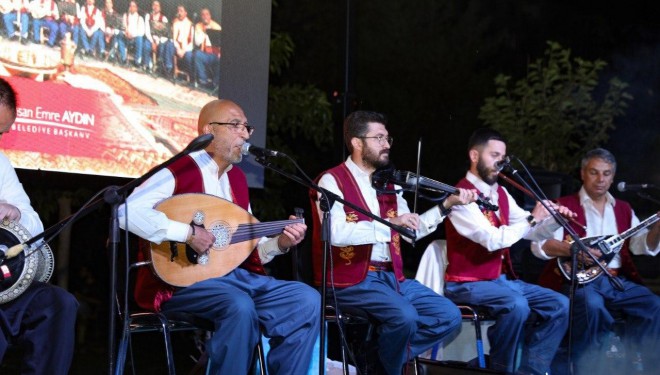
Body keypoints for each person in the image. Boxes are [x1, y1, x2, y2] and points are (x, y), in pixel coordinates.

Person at [118, 99, 320, 374]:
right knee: (238, 305)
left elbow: (246, 250)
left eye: (247, 127)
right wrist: (187, 233)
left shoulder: (237, 179)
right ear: (208, 131)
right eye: (235, 125)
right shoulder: (180, 169)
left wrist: (280, 243)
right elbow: (126, 212)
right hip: (180, 282)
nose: (246, 134)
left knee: (305, 299)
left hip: (232, 278)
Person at [311, 110, 476, 375]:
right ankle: (386, 364)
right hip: (349, 279)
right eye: (379, 138)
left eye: (388, 138)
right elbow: (337, 233)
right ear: (356, 142)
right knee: (405, 317)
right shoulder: (332, 180)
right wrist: (389, 225)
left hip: (391, 277)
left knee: (448, 315)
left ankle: (377, 359)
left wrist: (446, 206)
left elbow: (410, 231)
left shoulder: (389, 184)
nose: (387, 144)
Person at [443, 128, 574, 375]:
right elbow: (492, 240)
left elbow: (530, 232)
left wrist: (555, 219)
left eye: (503, 156)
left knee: (560, 304)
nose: (500, 162)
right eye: (494, 155)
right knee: (516, 305)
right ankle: (501, 369)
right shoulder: (460, 196)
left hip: (501, 282)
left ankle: (531, 370)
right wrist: (533, 219)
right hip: (467, 283)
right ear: (474, 155)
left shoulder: (501, 193)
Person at [532, 148, 660, 375]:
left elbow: (642, 246)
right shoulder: (563, 205)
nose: (601, 179)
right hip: (581, 282)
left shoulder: (623, 209)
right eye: (594, 172)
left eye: (607, 173)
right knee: (592, 306)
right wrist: (573, 250)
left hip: (615, 281)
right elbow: (539, 245)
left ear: (613, 176)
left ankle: (641, 364)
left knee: (652, 305)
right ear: (583, 173)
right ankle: (585, 367)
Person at [0, 78, 78, 374]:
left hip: (3, 286)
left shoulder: (1, 164)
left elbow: (35, 228)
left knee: (57, 303)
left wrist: (13, 211)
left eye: (2, 133)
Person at [193, 8, 221, 90]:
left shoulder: (217, 27)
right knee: (197, 54)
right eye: (203, 14)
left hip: (214, 54)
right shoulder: (198, 26)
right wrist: (204, 32)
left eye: (207, 14)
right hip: (204, 52)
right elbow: (197, 42)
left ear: (210, 16)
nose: (205, 16)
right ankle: (203, 80)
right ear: (201, 16)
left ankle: (215, 83)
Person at [162, 4, 193, 79]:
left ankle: (191, 76)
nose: (179, 13)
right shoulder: (176, 23)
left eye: (181, 11)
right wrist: (178, 49)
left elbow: (191, 42)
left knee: (189, 56)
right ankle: (169, 69)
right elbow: (174, 39)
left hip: (186, 49)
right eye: (178, 11)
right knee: (169, 44)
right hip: (177, 48)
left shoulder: (190, 24)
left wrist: (183, 50)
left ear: (186, 13)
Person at [143, 0, 168, 73]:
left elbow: (165, 35)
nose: (155, 7)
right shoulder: (148, 16)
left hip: (160, 40)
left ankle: (159, 67)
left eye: (157, 5)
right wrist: (152, 41)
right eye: (154, 5)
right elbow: (147, 31)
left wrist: (157, 42)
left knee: (162, 47)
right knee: (146, 45)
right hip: (150, 39)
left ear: (160, 8)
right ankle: (146, 65)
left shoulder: (164, 18)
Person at [119, 0, 144, 67]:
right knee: (120, 35)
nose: (132, 8)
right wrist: (126, 33)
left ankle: (137, 61)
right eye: (130, 6)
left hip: (135, 38)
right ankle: (123, 58)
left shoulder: (140, 18)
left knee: (140, 39)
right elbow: (123, 26)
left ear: (136, 8)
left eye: (133, 6)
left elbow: (141, 32)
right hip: (126, 37)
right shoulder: (125, 16)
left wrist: (132, 35)